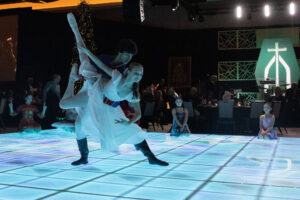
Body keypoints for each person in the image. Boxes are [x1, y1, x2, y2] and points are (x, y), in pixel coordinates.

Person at [60, 13, 168, 166]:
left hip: (105, 102)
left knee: (128, 131)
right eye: (126, 55)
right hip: (91, 91)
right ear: (119, 51)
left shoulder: (124, 71)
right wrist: (83, 72)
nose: (127, 59)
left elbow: (125, 95)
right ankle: (84, 157)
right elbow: (95, 66)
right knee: (78, 124)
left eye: (130, 57)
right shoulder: (107, 61)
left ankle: (150, 156)